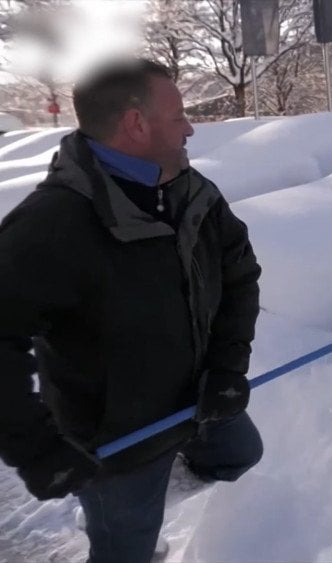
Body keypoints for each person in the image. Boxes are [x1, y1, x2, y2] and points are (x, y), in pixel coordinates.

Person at [0, 58, 263, 562]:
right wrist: (36, 449)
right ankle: (117, 521)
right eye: (178, 114)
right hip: (114, 439)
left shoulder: (194, 195)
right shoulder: (50, 226)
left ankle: (143, 509)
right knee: (126, 547)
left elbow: (240, 276)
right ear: (136, 124)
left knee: (242, 455)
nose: (190, 127)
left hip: (201, 401)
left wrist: (228, 368)